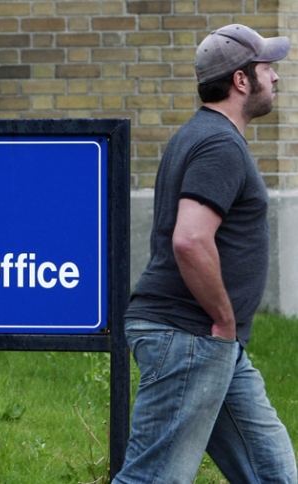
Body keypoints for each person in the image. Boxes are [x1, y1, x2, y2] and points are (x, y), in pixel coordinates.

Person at [114, 24, 297, 483]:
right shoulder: (218, 144)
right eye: (267, 68)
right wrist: (223, 320)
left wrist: (224, 333)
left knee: (272, 471)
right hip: (192, 335)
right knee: (154, 477)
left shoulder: (198, 136)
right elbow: (190, 239)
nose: (275, 78)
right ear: (241, 80)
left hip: (210, 342)